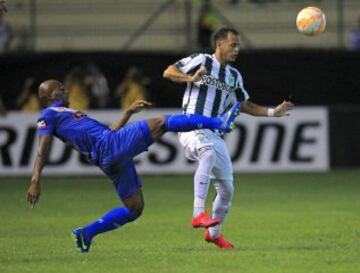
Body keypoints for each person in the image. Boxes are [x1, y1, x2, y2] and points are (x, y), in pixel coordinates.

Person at [26, 79, 241, 253]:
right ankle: (217, 123)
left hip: (108, 156)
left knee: (134, 208)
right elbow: (41, 149)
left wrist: (127, 113)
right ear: (51, 96)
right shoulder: (48, 115)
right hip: (109, 148)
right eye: (60, 88)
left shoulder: (67, 114)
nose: (66, 89)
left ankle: (87, 233)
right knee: (162, 122)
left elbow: (108, 132)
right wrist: (35, 180)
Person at [163, 27, 294, 250]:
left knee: (227, 190)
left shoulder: (234, 76)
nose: (237, 49)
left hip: (215, 133)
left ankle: (213, 234)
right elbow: (168, 72)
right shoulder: (201, 59)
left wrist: (274, 112)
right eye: (233, 44)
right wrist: (189, 77)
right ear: (219, 44)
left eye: (238, 45)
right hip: (191, 125)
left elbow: (244, 105)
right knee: (208, 153)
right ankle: (198, 213)